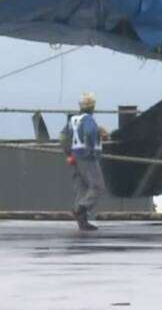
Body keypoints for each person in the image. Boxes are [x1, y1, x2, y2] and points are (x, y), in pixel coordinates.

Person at [62, 92, 108, 231]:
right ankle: (81, 209)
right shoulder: (89, 120)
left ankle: (82, 222)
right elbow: (88, 133)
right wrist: (90, 150)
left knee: (81, 188)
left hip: (75, 158)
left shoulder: (73, 120)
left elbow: (63, 137)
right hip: (88, 159)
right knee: (98, 187)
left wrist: (69, 154)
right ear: (93, 106)